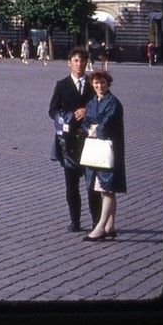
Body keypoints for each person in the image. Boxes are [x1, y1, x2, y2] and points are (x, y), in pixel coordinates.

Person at [48, 47, 101, 233]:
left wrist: (87, 111)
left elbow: (100, 104)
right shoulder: (61, 85)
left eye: (82, 61)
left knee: (92, 185)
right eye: (76, 61)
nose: (79, 65)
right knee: (71, 186)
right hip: (69, 143)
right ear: (69, 63)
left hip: (89, 141)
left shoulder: (92, 84)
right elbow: (52, 110)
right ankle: (75, 221)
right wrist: (67, 116)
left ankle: (96, 222)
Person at [82, 69, 126, 241]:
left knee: (107, 187)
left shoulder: (113, 102)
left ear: (108, 84)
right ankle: (110, 226)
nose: (99, 86)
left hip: (109, 149)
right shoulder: (92, 101)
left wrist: (94, 129)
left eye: (102, 83)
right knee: (105, 188)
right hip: (96, 149)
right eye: (96, 83)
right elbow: (86, 122)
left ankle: (100, 227)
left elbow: (106, 124)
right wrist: (90, 129)